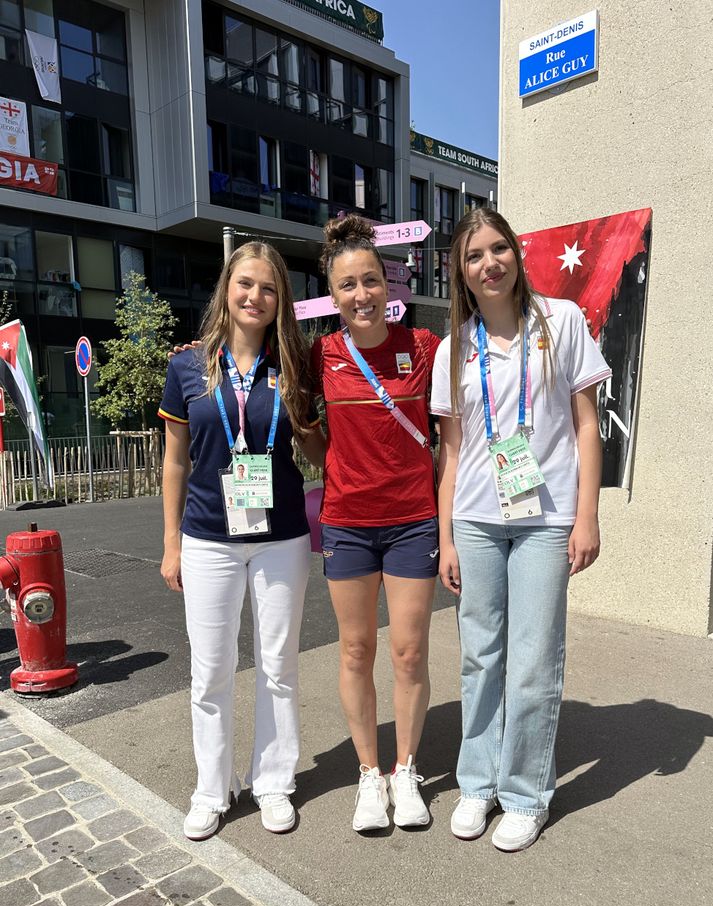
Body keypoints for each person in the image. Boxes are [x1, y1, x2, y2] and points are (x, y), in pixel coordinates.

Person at [432, 208, 611, 852]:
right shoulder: (455, 346)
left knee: (533, 661)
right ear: (462, 271)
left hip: (545, 519)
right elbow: (451, 453)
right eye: (474, 255)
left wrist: (586, 513)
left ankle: (526, 794)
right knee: (481, 656)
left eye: (498, 248)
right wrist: (446, 535)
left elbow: (587, 425)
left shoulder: (560, 321)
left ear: (515, 252)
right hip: (477, 519)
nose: (489, 263)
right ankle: (477, 783)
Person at [160, 240, 324, 840]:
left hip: (280, 538)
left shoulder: (295, 365)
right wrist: (171, 541)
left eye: (269, 287)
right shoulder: (186, 366)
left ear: (281, 298)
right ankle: (213, 787)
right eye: (245, 284)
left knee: (278, 665)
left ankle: (274, 781)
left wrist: (301, 415)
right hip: (207, 537)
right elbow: (175, 461)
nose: (255, 296)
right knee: (211, 671)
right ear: (226, 291)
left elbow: (315, 453)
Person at [311, 214, 442, 832]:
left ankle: (406, 769)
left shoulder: (424, 349)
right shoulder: (321, 353)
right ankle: (370, 776)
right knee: (357, 650)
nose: (361, 295)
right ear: (332, 295)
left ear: (389, 287)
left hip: (415, 520)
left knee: (409, 651)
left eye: (370, 282)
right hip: (348, 524)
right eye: (347, 286)